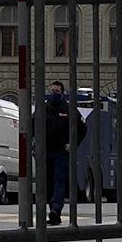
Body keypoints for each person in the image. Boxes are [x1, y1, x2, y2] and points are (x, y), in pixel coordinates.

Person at [43, 81, 73, 225]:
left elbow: (81, 128)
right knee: (49, 184)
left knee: (59, 180)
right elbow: (32, 124)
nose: (54, 93)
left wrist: (73, 143)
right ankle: (54, 213)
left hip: (61, 152)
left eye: (57, 91)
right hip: (47, 152)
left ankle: (56, 209)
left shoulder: (68, 109)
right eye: (52, 90)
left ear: (62, 93)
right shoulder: (45, 108)